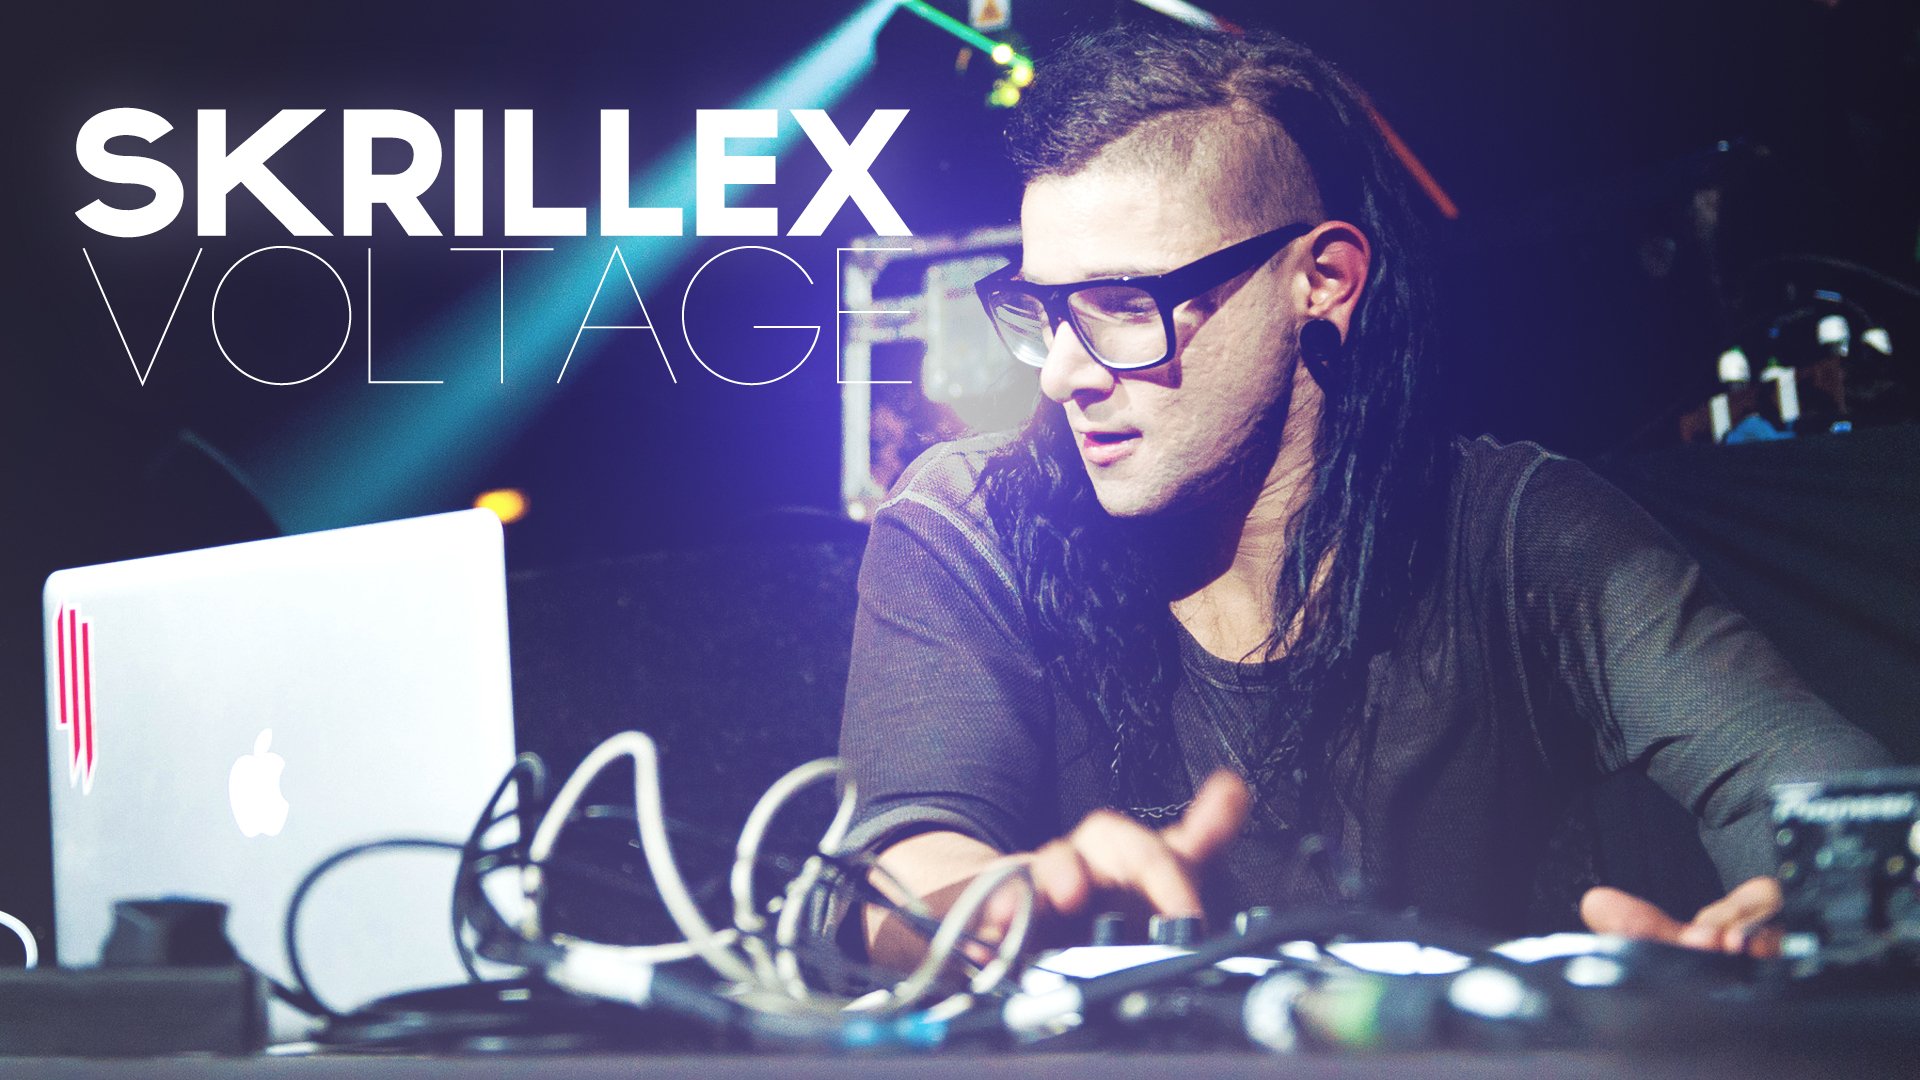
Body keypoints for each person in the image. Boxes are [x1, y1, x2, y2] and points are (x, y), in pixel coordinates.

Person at [836, 24, 1888, 962]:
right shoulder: (971, 518)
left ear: (1323, 281)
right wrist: (995, 903)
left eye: (1122, 303)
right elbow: (904, 861)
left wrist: (1809, 912)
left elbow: (1833, 797)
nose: (1063, 373)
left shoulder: (1516, 531)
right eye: (1044, 309)